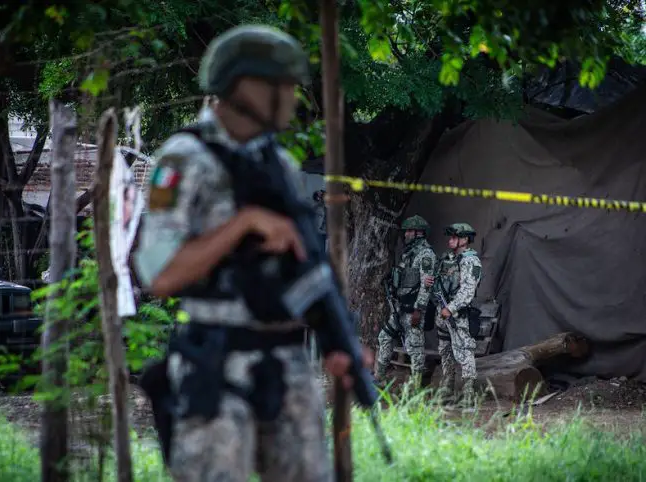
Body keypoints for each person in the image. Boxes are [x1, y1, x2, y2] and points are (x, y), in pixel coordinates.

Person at [133, 24, 371, 482]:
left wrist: (335, 338)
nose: (295, 98)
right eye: (285, 87)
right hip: (216, 367)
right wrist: (241, 224)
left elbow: (301, 267)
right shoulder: (184, 159)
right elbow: (159, 275)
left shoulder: (277, 162)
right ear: (248, 87)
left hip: (286, 366)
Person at [374, 215, 436, 388]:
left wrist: (419, 309)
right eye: (406, 231)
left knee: (415, 349)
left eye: (410, 231)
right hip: (400, 309)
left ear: (419, 233)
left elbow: (426, 286)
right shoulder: (409, 254)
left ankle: (417, 388)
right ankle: (379, 378)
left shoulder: (426, 255)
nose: (406, 234)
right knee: (384, 337)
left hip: (414, 310)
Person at [426, 223, 482, 406]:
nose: (450, 241)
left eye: (454, 237)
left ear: (464, 240)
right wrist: (430, 281)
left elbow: (468, 291)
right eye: (450, 237)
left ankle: (468, 394)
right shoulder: (447, 259)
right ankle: (447, 389)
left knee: (465, 352)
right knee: (445, 351)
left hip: (458, 316)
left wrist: (450, 308)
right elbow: (441, 282)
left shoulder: (471, 261)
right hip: (442, 314)